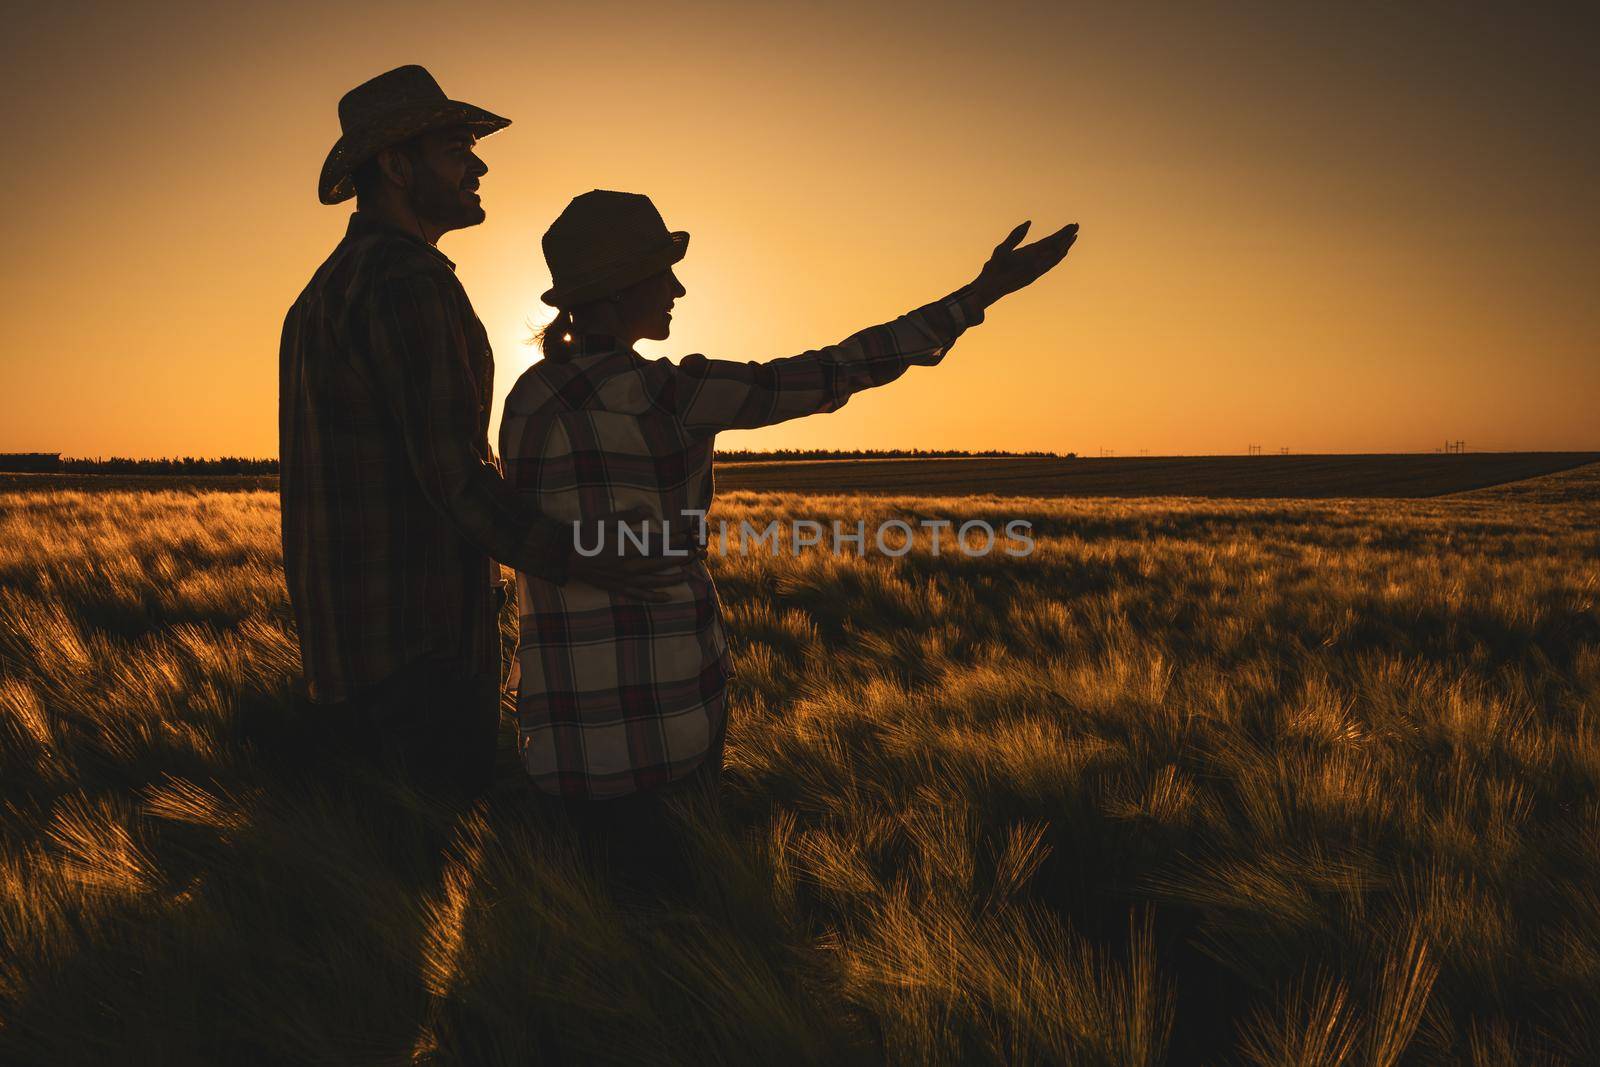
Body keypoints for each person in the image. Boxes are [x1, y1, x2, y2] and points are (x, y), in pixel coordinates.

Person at [499, 189, 1077, 887]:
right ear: (620, 290)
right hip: (668, 725)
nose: (677, 287)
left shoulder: (525, 401)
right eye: (662, 272)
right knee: (678, 927)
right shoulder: (672, 396)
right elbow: (837, 369)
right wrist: (981, 293)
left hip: (556, 743)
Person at [277, 69, 692, 803]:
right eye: (456, 148)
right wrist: (578, 558)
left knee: (378, 880)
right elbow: (453, 476)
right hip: (419, 655)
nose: (479, 166)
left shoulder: (319, 293)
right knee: (427, 869)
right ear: (397, 166)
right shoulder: (410, 284)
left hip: (346, 653)